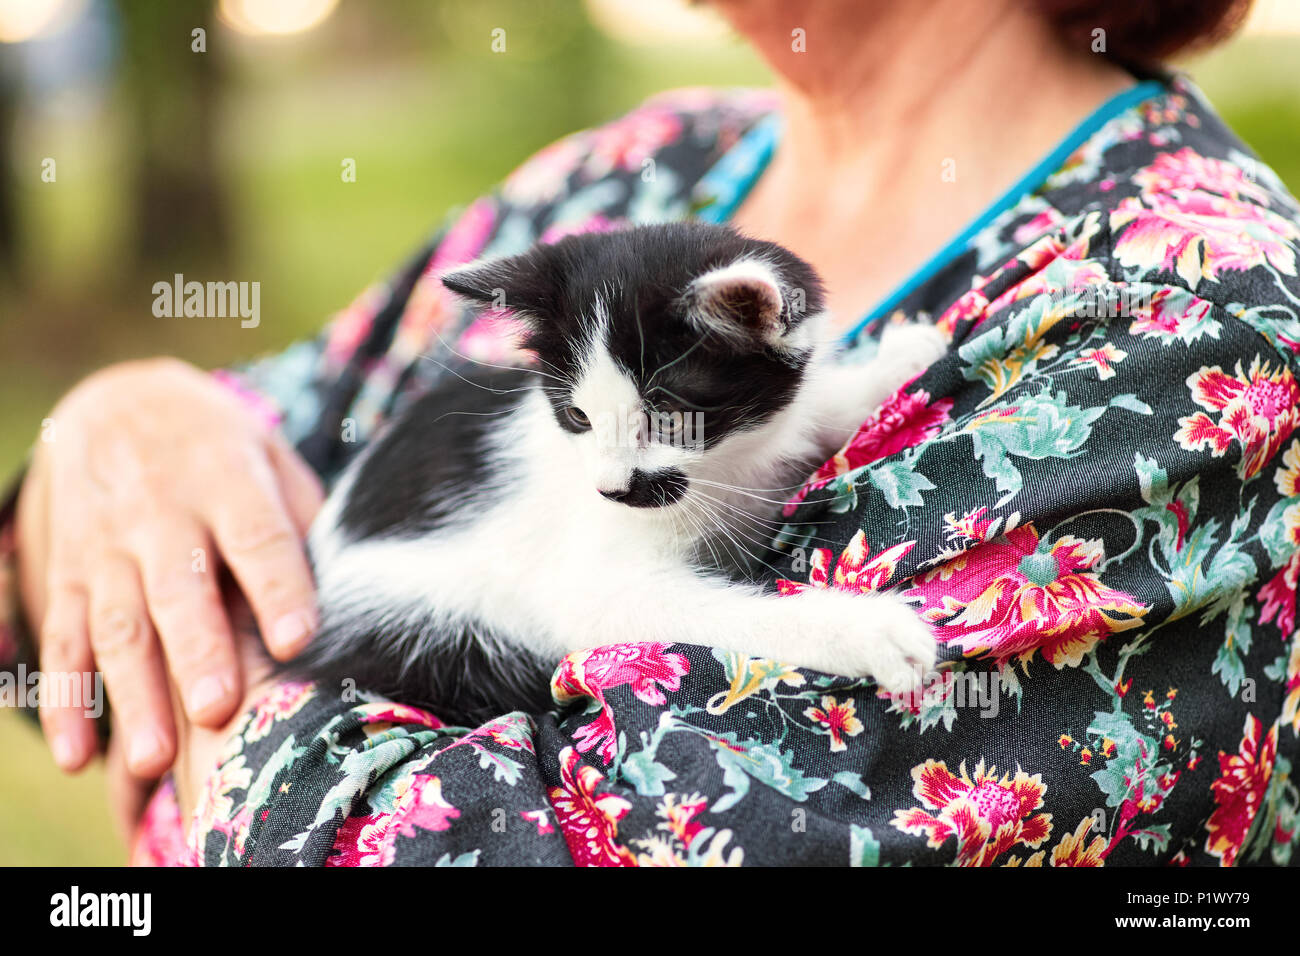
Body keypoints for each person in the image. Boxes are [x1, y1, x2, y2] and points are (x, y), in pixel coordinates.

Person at [5, 0, 1298, 865]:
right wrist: (116, 422)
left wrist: (227, 715)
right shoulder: (629, 175)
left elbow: (572, 844)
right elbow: (75, 627)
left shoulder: (1185, 325)